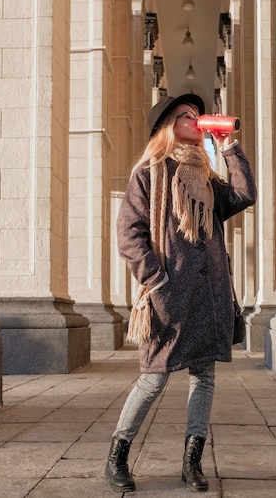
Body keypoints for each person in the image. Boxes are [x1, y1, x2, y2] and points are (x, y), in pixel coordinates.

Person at [105, 93, 256, 493]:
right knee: (152, 379)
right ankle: (117, 455)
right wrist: (157, 283)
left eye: (196, 114)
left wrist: (229, 148)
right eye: (185, 115)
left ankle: (192, 463)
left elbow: (244, 194)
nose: (195, 118)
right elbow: (129, 236)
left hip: (210, 294)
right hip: (169, 297)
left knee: (203, 377)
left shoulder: (206, 177)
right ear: (167, 127)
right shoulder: (148, 174)